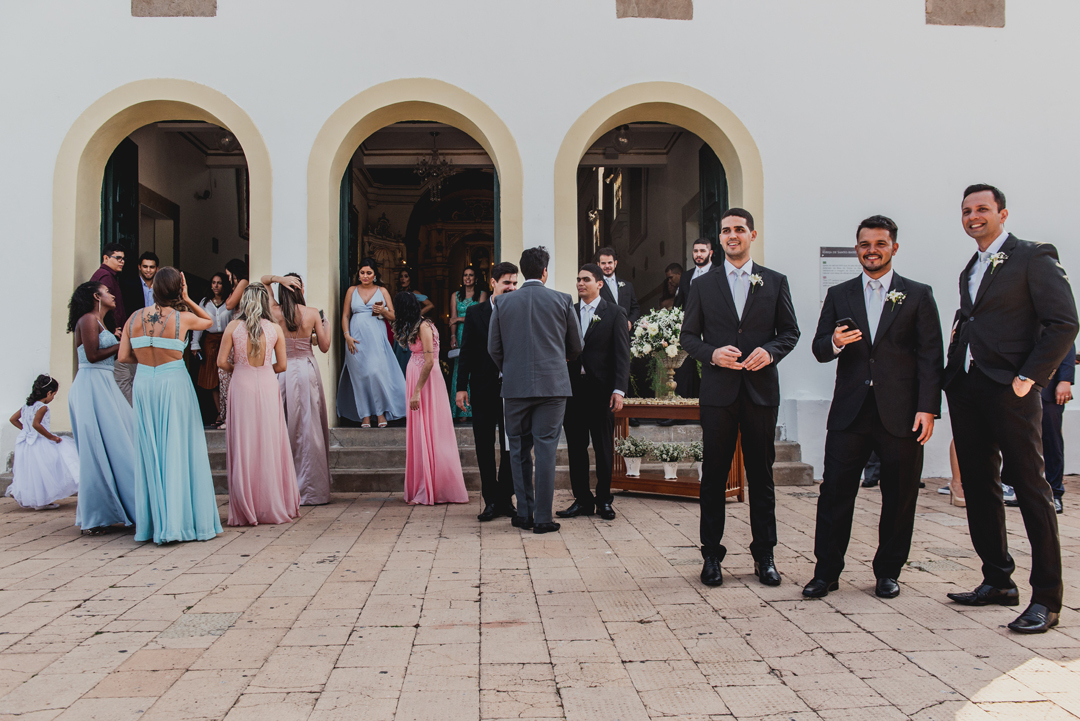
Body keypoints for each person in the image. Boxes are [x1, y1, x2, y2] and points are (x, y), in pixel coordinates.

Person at [943, 184, 1078, 634]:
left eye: (982, 209)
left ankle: (1047, 598)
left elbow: (1064, 323)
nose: (973, 216)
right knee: (980, 487)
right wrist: (951, 376)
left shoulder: (1033, 256)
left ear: (1002, 213)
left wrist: (1030, 378)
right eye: (967, 210)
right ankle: (998, 580)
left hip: (1012, 391)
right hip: (968, 391)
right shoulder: (971, 267)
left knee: (1031, 488)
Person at [804, 215, 943, 600]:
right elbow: (818, 350)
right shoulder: (840, 294)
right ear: (856, 249)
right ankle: (826, 572)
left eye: (880, 244)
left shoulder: (917, 294)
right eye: (865, 244)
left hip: (901, 414)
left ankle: (888, 572)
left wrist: (928, 408)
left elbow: (932, 357)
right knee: (834, 493)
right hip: (850, 413)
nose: (872, 250)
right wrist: (833, 341)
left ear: (894, 248)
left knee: (899, 497)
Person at [680, 208, 800, 588]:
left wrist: (771, 351)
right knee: (713, 475)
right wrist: (712, 354)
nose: (732, 235)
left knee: (761, 476)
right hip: (718, 394)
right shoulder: (702, 285)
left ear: (753, 235)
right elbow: (688, 337)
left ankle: (765, 554)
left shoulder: (775, 281)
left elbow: (790, 332)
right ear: (720, 238)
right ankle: (711, 555)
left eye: (739, 230)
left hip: (760, 392)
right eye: (726, 230)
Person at [118, 266, 222, 544]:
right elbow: (210, 322)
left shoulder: (133, 318)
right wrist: (188, 299)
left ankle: (153, 524)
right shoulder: (183, 318)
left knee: (151, 449)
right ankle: (178, 522)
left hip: (144, 383)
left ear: (153, 289)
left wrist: (147, 361)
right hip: (173, 380)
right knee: (178, 446)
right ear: (177, 289)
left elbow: (124, 356)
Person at [488, 247, 583, 534]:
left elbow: (493, 347)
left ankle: (524, 514)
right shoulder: (562, 300)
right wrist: (560, 358)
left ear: (522, 270)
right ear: (544, 272)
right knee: (545, 450)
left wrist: (512, 366)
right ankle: (543, 518)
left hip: (515, 387)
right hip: (553, 385)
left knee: (517, 448)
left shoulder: (503, 304)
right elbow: (576, 345)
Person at [218, 283, 301, 525]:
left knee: (243, 442)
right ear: (265, 302)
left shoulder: (233, 327)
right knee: (269, 440)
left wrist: (240, 369)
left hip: (241, 384)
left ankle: (247, 505)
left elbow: (221, 362)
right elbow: (283, 366)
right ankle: (272, 501)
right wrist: (264, 370)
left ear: (245, 301)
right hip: (267, 383)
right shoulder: (275, 328)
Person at [556, 263, 630, 522]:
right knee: (576, 448)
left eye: (585, 279)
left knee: (603, 448)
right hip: (573, 391)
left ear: (599, 283)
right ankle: (582, 500)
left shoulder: (615, 313)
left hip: (602, 392)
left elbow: (622, 355)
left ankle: (604, 500)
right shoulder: (569, 312)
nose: (579, 283)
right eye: (577, 279)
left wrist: (619, 390)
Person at [67, 280, 137, 534]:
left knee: (121, 441)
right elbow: (93, 354)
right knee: (98, 449)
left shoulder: (98, 321)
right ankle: (97, 515)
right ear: (97, 296)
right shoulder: (87, 319)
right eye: (108, 292)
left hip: (104, 385)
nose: (113, 295)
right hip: (91, 385)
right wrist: (122, 343)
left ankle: (125, 507)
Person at [456, 262, 519, 521]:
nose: (511, 287)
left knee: (510, 446)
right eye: (507, 282)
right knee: (484, 445)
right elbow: (466, 352)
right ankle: (490, 500)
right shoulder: (475, 313)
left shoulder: (520, 311)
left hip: (513, 390)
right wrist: (461, 387)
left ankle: (506, 498)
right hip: (482, 389)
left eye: (515, 283)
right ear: (493, 283)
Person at [263, 273, 332, 506]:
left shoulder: (274, 312)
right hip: (306, 369)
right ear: (301, 289)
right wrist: (326, 325)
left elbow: (262, 282)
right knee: (309, 426)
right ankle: (312, 490)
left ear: (282, 289)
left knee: (284, 425)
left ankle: (286, 488)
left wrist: (277, 279)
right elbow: (324, 347)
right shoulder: (312, 313)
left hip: (282, 371)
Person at [395, 292, 469, 506]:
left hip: (425, 382)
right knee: (421, 431)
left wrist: (417, 391)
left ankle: (434, 486)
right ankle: (425, 482)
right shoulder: (417, 325)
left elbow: (428, 361)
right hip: (418, 379)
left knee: (431, 429)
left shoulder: (423, 327)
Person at [337, 258, 407, 427]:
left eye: (369, 273)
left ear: (375, 275)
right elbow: (345, 315)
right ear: (358, 274)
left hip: (377, 337)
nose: (365, 276)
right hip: (356, 338)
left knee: (375, 372)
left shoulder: (382, 291)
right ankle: (365, 415)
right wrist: (346, 335)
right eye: (362, 273)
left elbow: (394, 316)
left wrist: (383, 310)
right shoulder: (351, 290)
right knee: (360, 375)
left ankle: (381, 412)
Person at [7, 375, 79, 511]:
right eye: (54, 395)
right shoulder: (42, 407)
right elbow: (36, 424)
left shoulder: (26, 406)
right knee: (48, 469)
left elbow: (13, 419)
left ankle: (37, 498)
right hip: (39, 443)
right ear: (48, 393)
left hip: (26, 444)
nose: (53, 398)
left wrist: (25, 430)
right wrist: (51, 437)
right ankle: (42, 500)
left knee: (34, 471)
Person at [1018, 344, 1074, 515]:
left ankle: (1054, 493)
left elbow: (1067, 341)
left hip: (1049, 390)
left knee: (1051, 441)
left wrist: (1065, 380)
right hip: (1018, 388)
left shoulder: (1050, 317)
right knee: (1020, 441)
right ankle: (1023, 492)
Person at [670, 238, 715, 405]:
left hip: (712, 329)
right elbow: (678, 304)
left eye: (702, 251)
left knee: (709, 369)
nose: (698, 254)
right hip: (690, 330)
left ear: (710, 253)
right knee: (685, 369)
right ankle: (682, 408)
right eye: (696, 251)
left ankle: (708, 408)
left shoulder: (720, 273)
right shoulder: (686, 276)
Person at [90, 243, 133, 403]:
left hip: (110, 339)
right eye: (118, 258)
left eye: (123, 259)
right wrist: (110, 330)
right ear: (106, 258)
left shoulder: (107, 275)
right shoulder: (105, 277)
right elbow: (102, 306)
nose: (122, 262)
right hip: (112, 340)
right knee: (124, 382)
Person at [191, 272, 233, 427]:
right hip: (209, 341)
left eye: (219, 283)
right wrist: (195, 344)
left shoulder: (229, 301)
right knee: (212, 379)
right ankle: (220, 413)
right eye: (213, 282)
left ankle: (228, 411)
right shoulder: (205, 302)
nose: (216, 286)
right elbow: (199, 322)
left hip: (226, 339)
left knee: (225, 377)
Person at [450, 267, 488, 421]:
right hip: (460, 333)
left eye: (471, 275)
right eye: (465, 275)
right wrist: (453, 335)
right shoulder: (455, 295)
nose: (467, 278)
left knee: (475, 367)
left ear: (476, 278)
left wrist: (459, 319)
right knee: (460, 368)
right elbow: (452, 317)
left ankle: (473, 408)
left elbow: (481, 317)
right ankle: (460, 411)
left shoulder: (482, 294)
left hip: (476, 333)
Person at [394, 268, 435, 375]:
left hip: (411, 328)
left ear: (410, 279)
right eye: (401, 276)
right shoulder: (399, 293)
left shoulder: (414, 293)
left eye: (406, 276)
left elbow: (430, 305)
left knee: (408, 355)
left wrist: (415, 315)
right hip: (399, 328)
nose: (403, 279)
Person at [595, 247, 640, 327]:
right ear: (598, 265)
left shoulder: (628, 286)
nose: (607, 266)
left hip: (626, 333)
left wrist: (630, 322)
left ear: (615, 263)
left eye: (610, 262)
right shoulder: (595, 286)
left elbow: (635, 308)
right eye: (603, 263)